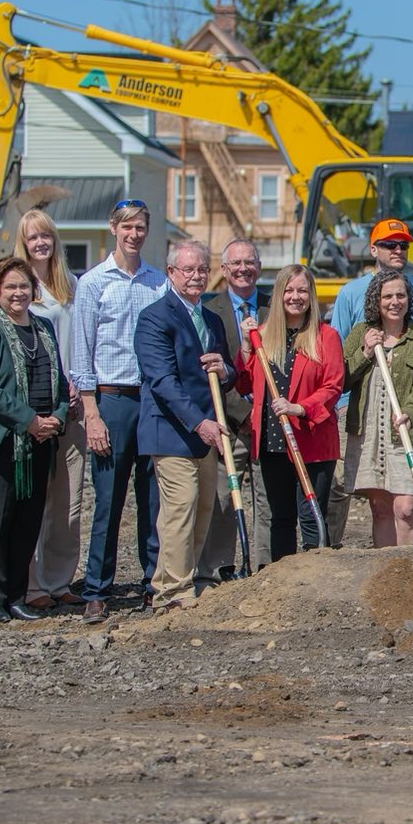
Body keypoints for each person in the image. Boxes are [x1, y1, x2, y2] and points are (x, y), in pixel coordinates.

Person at [68, 201, 167, 625]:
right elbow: (81, 353)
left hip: (150, 399)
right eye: (127, 226)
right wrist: (91, 413)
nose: (134, 234)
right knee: (108, 501)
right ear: (113, 228)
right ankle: (96, 589)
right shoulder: (93, 283)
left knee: (152, 499)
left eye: (140, 227)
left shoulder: (158, 282)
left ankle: (153, 583)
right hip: (111, 399)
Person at [0, 258, 69, 624]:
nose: (18, 293)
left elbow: (59, 382)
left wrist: (57, 417)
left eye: (24, 286)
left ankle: (17, 595)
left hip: (40, 441)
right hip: (0, 442)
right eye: (10, 287)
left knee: (27, 521)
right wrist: (29, 421)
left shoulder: (44, 328)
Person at [324, 218, 413, 546]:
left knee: (406, 507)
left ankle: (409, 569)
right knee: (379, 506)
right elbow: (339, 373)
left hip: (404, 426)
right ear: (376, 301)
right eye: (387, 296)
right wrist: (365, 351)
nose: (394, 301)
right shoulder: (361, 328)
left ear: (409, 298)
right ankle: (384, 571)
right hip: (366, 427)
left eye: (400, 296)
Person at [136, 241, 233, 607]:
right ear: (171, 273)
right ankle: (174, 591)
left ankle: (172, 581)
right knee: (180, 506)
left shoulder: (211, 319)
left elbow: (228, 373)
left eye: (202, 269)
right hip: (172, 430)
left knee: (203, 507)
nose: (196, 276)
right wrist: (199, 423)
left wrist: (225, 370)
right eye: (188, 270)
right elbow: (163, 382)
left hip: (206, 431)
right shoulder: (155, 318)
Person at [238, 264, 344, 560]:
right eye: (289, 290)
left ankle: (314, 576)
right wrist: (246, 346)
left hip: (311, 439)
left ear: (311, 295)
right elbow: (244, 382)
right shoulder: (262, 336)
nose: (295, 297)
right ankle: (282, 579)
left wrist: (299, 408)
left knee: (311, 515)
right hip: (273, 441)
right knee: (281, 517)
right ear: (278, 294)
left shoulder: (326, 337)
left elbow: (333, 386)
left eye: (302, 291)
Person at [17, 208, 86, 610]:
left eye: (45, 235)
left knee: (68, 501)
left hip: (74, 404)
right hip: (39, 406)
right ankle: (32, 583)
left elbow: (79, 339)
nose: (40, 243)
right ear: (23, 243)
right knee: (36, 499)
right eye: (33, 237)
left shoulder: (70, 284)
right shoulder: (20, 286)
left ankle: (60, 579)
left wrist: (81, 386)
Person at [201, 238, 270, 575]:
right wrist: (243, 413)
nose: (244, 269)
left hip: (269, 422)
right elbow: (210, 368)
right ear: (224, 269)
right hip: (229, 422)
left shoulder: (275, 307)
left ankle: (265, 568)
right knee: (224, 499)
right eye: (236, 263)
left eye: (249, 262)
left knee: (267, 499)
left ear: (259, 267)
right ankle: (220, 570)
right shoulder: (208, 310)